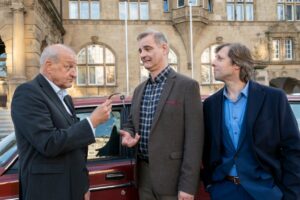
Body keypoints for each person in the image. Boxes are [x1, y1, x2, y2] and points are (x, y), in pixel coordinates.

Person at [11, 44, 112, 200]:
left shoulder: (65, 98)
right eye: (69, 67)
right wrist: (92, 122)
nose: (74, 74)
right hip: (48, 191)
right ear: (49, 66)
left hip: (73, 189)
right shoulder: (28, 93)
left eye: (75, 68)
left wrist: (83, 186)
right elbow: (49, 143)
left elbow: (76, 148)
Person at [201, 43, 300, 200]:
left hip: (266, 191)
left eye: (220, 58)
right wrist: (210, 184)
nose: (213, 62)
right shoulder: (211, 104)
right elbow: (207, 149)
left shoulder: (273, 98)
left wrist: (291, 194)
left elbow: (292, 148)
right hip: (223, 191)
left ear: (237, 65)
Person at [120, 29, 204, 200]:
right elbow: (131, 123)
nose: (143, 54)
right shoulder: (138, 90)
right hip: (144, 177)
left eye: (148, 48)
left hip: (173, 180)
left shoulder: (187, 86)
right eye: (140, 50)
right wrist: (128, 133)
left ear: (164, 48)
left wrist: (188, 186)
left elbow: (195, 140)